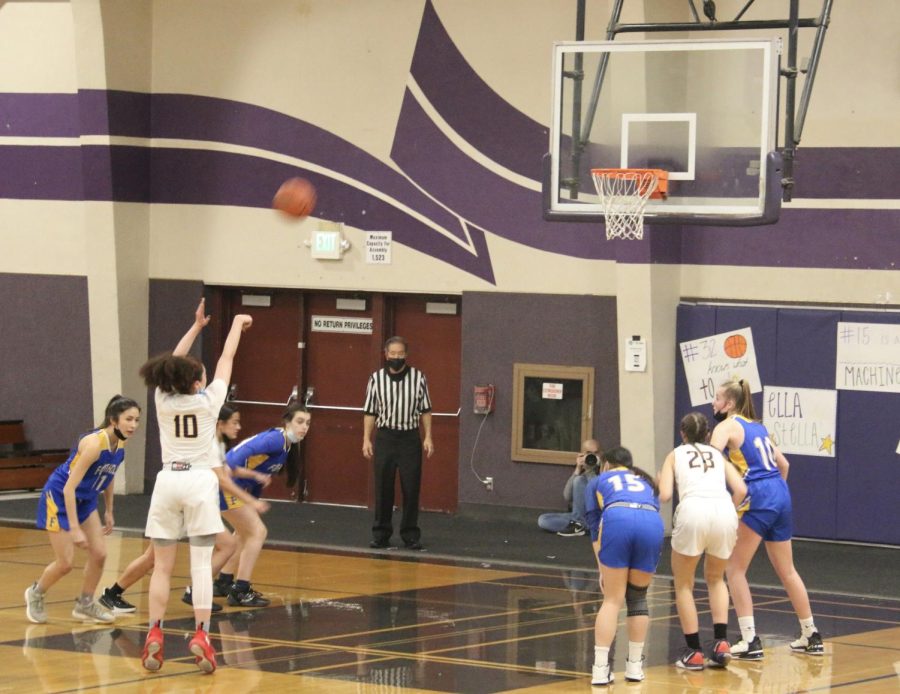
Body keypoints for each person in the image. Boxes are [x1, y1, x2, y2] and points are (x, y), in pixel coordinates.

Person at [139, 299, 268, 674]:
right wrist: (235, 326)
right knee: (199, 567)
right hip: (198, 481)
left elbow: (172, 363)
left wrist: (195, 327)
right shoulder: (209, 402)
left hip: (167, 481)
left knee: (162, 568)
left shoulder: (163, 400)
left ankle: (154, 633)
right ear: (197, 382)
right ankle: (201, 635)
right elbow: (227, 358)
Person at [710, 378, 824, 659]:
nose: (713, 403)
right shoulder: (758, 427)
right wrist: (775, 494)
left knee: (734, 569)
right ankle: (811, 634)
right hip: (780, 492)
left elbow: (711, 458)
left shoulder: (726, 426)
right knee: (788, 571)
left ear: (730, 404)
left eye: (716, 398)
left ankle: (749, 639)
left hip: (758, 493)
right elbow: (784, 464)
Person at [98, 405, 243, 615]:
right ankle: (196, 591)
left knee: (153, 557)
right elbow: (219, 477)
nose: (238, 427)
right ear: (219, 422)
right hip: (186, 500)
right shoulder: (206, 442)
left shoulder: (217, 443)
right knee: (227, 545)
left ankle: (112, 593)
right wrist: (249, 500)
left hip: (189, 500)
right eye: (234, 422)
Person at [25, 395, 142, 625]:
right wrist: (75, 529)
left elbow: (108, 475)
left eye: (137, 420)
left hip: (86, 500)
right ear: (113, 420)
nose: (134, 425)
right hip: (59, 497)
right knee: (66, 563)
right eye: (129, 419)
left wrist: (109, 510)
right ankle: (36, 593)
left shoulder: (120, 443)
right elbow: (69, 488)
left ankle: (85, 604)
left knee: (100, 554)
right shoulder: (93, 444)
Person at [658, 412, 748, 670]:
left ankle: (694, 651)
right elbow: (741, 490)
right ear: (708, 435)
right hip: (723, 511)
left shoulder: (675, 454)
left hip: (693, 510)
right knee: (716, 579)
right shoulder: (718, 456)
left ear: (682, 434)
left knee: (684, 584)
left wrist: (658, 479)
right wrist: (728, 512)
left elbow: (664, 494)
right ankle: (721, 643)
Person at [215, 402, 311, 607]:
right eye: (300, 422)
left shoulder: (286, 445)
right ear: (287, 422)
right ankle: (240, 589)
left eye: (307, 423)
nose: (304, 427)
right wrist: (253, 477)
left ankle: (224, 581)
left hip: (235, 488)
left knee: (243, 533)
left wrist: (254, 497)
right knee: (257, 532)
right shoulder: (275, 439)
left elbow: (259, 475)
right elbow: (232, 462)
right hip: (226, 486)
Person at [584, 447, 664, 686]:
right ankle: (635, 666)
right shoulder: (646, 481)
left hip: (618, 520)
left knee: (612, 599)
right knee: (638, 597)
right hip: (651, 522)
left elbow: (594, 527)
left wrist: (602, 567)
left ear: (606, 464)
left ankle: (600, 669)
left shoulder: (598, 480)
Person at [362, 336, 433, 550]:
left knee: (411, 488)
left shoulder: (419, 378)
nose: (396, 357)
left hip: (410, 437)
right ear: (386, 354)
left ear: (406, 355)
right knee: (383, 487)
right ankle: (381, 533)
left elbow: (426, 410)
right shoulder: (375, 379)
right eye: (392, 354)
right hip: (385, 437)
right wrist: (366, 438)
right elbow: (370, 412)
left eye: (400, 354)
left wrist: (428, 436)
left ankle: (410, 534)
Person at [537, 439, 601, 537]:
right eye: (589, 453)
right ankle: (580, 526)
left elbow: (599, 492)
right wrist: (577, 470)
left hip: (595, 516)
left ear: (601, 454)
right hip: (576, 515)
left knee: (579, 480)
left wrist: (590, 471)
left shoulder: (605, 469)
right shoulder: (582, 470)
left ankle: (581, 525)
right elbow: (567, 496)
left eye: (596, 453)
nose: (592, 456)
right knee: (543, 519)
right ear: (582, 454)